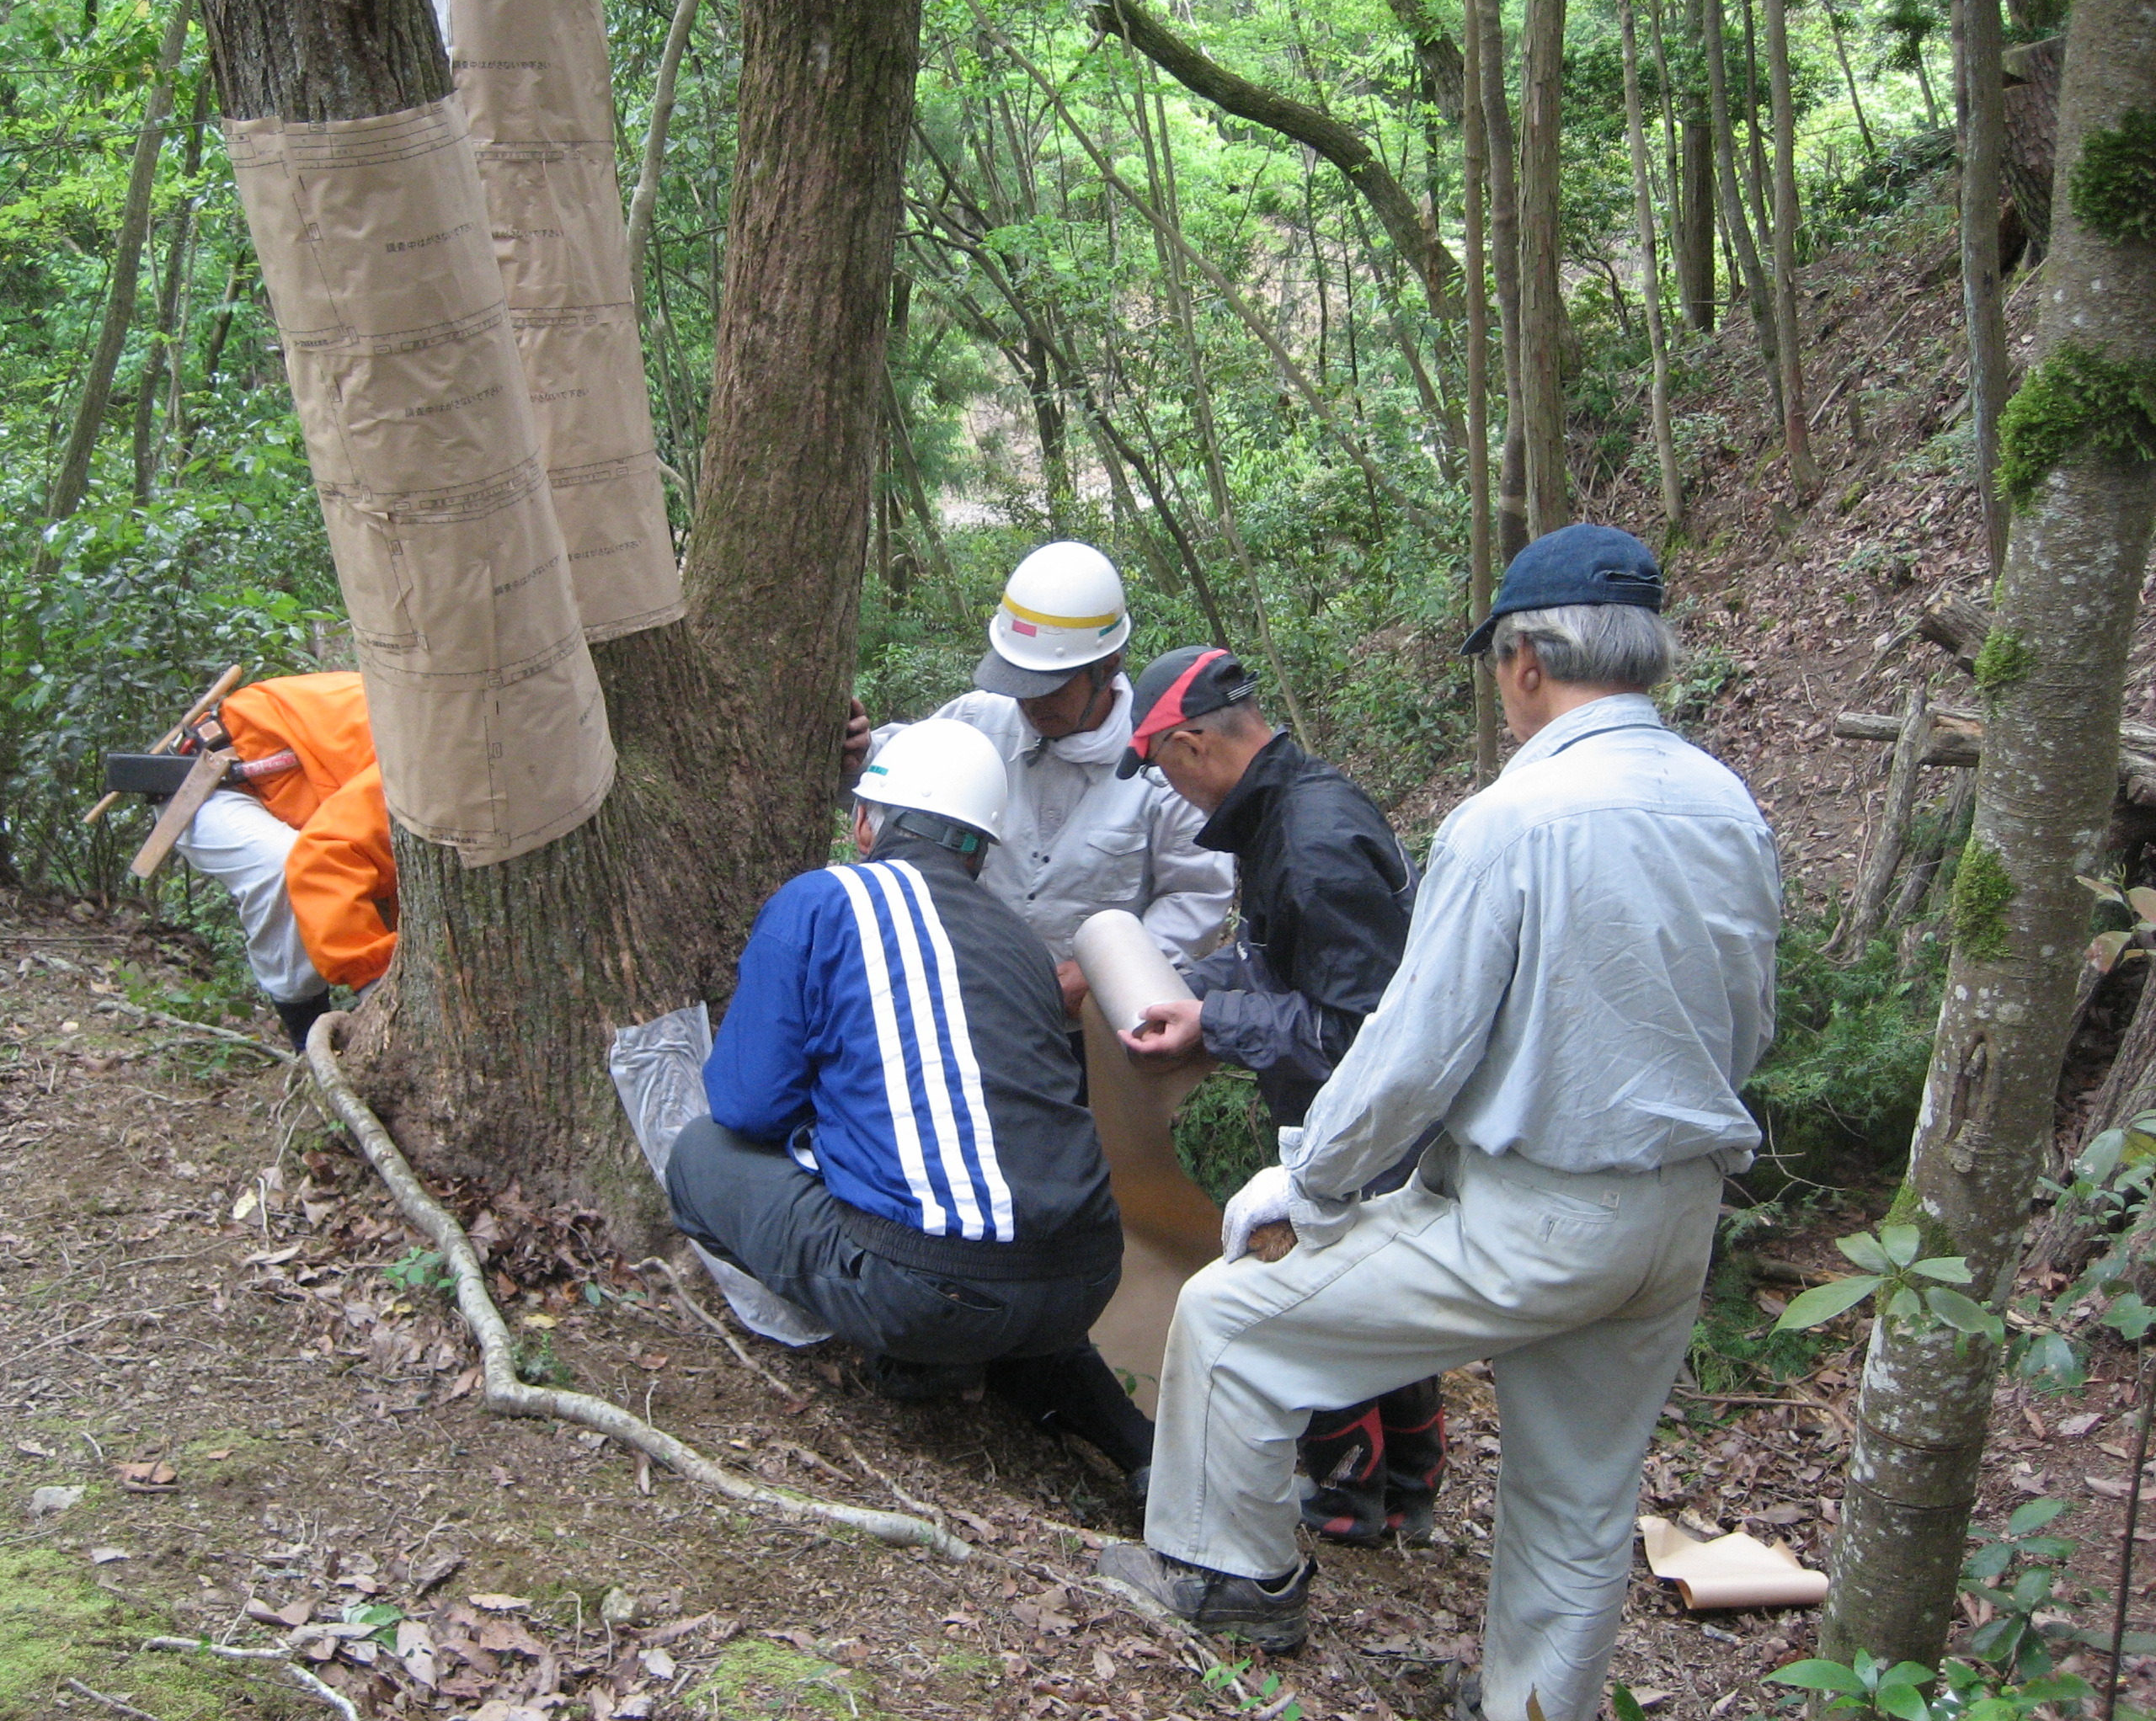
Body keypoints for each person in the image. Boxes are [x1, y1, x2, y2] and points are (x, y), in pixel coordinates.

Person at [1099, 525, 1780, 1721]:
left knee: (1229, 1318)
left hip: (1536, 1212)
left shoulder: (1512, 820)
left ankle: (1232, 1586)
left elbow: (1407, 1050)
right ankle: (1533, 1708)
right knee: (1578, 1501)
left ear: (1525, 662)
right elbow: (1750, 1022)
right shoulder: (1727, 806)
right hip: (1678, 1212)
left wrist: (1306, 1180)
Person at [664, 717, 1157, 1490]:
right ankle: (1138, 1450)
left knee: (699, 1156)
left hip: (928, 1290)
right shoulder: (1025, 944)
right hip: (1084, 1279)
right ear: (982, 847)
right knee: (1010, 1270)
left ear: (866, 822)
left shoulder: (823, 900)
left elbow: (747, 1106)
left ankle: (911, 1355)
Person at [1113, 645, 1444, 1549]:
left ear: (1188, 746)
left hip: (1365, 1124)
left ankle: (1346, 1502)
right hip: (1361, 1117)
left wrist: (1215, 1026)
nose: (1166, 793)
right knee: (1382, 1304)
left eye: (1158, 770)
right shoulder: (1292, 808)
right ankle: (1406, 1491)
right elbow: (1279, 962)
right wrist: (1194, 986)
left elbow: (1360, 1030)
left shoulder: (1309, 842)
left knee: (1314, 1301)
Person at [846, 541, 1235, 1006]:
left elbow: (1195, 895)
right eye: (1018, 683)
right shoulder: (976, 722)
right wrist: (858, 757)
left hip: (1084, 1028)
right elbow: (893, 770)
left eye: (1050, 688)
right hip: (963, 999)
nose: (1030, 702)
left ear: (1106, 668)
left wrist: (1110, 971)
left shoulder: (1162, 773)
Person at [163, 672, 396, 1048]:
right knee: (282, 867)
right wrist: (376, 981)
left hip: (279, 786)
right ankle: (306, 1040)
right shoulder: (423, 756)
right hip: (207, 782)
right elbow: (324, 860)